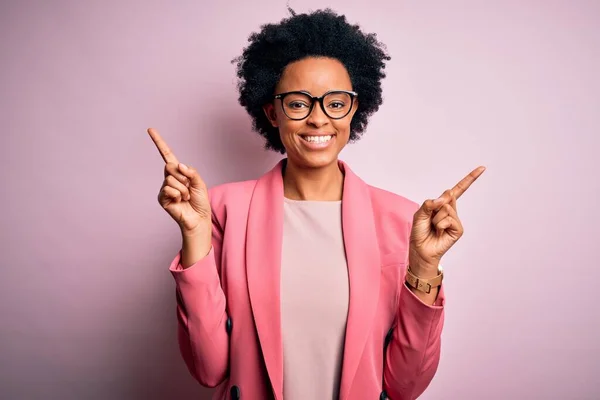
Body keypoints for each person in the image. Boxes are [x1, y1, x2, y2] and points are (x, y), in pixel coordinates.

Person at [148, 8, 485, 400]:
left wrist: (425, 268)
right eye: (298, 103)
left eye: (335, 102)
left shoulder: (400, 219)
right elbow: (209, 369)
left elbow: (405, 386)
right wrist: (193, 235)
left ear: (354, 109)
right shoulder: (222, 211)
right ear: (273, 113)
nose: (318, 119)